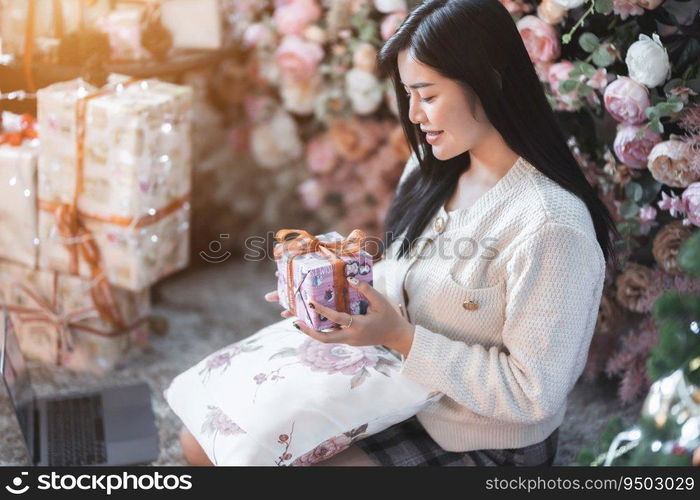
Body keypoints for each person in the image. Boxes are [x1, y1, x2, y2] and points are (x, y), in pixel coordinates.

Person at [180, 0, 619, 466]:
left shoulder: (550, 226)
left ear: (490, 82)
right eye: (408, 95)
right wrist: (334, 287)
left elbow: (533, 394)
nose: (413, 114)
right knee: (205, 442)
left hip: (480, 436)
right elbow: (407, 275)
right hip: (394, 386)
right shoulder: (434, 168)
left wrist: (402, 337)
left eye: (427, 96)